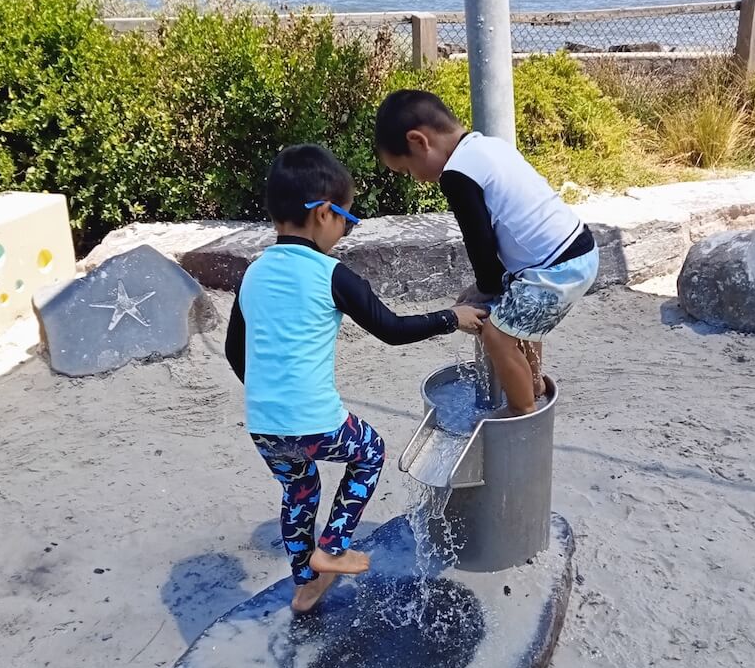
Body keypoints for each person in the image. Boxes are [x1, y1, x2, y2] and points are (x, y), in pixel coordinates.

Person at [225, 144, 486, 614]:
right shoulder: (332, 274)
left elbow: (232, 351)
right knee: (369, 453)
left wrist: (272, 397)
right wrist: (453, 317)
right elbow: (391, 329)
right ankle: (333, 547)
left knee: (299, 490)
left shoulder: (253, 273)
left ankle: (305, 585)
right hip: (313, 419)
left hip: (264, 424)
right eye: (348, 219)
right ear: (324, 213)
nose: (346, 230)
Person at [375, 89, 599, 415]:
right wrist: (489, 288)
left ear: (418, 141)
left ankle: (522, 412)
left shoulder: (456, 175)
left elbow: (480, 244)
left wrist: (483, 290)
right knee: (514, 317)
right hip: (576, 251)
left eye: (408, 171)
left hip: (557, 269)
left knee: (496, 335)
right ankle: (533, 384)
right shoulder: (488, 145)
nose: (417, 180)